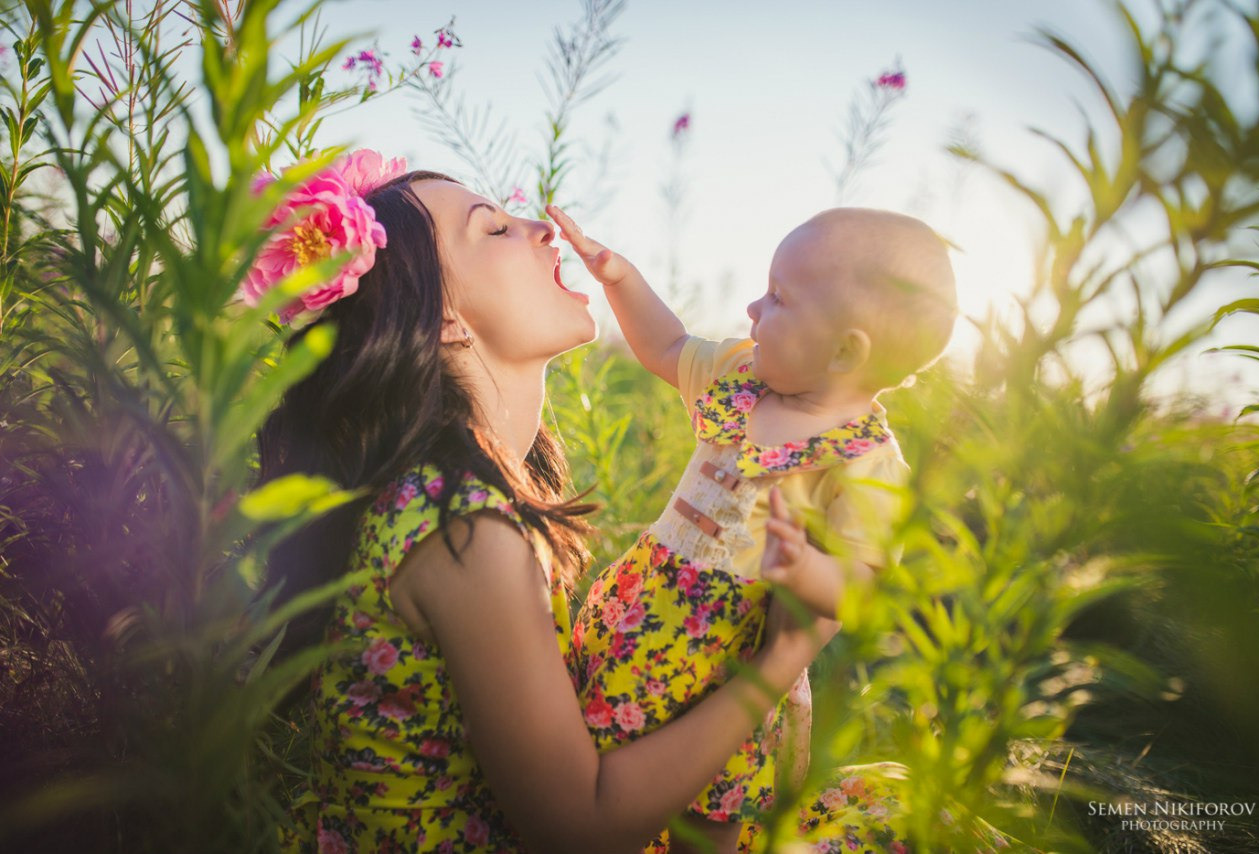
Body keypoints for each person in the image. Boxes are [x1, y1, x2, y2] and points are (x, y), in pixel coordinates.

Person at [252, 155, 842, 853]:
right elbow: (580, 829)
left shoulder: (447, 495)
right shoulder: (464, 528)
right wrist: (779, 659)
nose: (541, 229)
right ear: (443, 317)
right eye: (494, 228)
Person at [549, 203, 957, 853]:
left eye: (777, 298)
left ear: (845, 350)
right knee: (604, 757)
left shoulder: (864, 461)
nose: (752, 309)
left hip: (731, 658)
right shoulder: (741, 378)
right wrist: (619, 278)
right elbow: (667, 346)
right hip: (643, 618)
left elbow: (865, 587)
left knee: (710, 810)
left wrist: (807, 569)